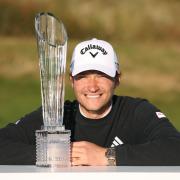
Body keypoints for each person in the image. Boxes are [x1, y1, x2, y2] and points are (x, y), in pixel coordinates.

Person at [0, 38, 180, 166]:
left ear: (117, 79)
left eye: (101, 75)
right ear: (72, 81)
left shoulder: (136, 112)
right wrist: (51, 155)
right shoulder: (57, 115)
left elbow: (174, 148)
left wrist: (106, 156)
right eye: (83, 76)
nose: (92, 86)